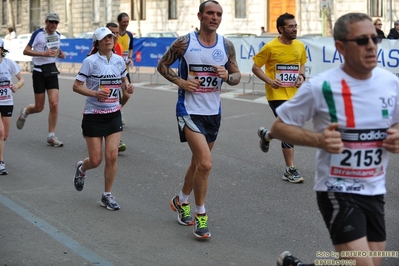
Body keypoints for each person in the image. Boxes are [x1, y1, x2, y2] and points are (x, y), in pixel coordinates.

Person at [272, 13, 399, 266]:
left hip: (374, 189)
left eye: (374, 39)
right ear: (340, 46)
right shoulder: (321, 86)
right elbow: (278, 128)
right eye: (362, 40)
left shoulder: (390, 82)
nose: (372, 45)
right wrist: (319, 140)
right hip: (337, 189)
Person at [157, 0, 241, 239]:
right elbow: (162, 65)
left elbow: (236, 76)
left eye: (219, 14)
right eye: (210, 13)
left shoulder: (226, 45)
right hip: (188, 111)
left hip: (213, 113)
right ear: (200, 16)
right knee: (205, 164)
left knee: (196, 163)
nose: (215, 17)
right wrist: (182, 83)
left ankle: (180, 199)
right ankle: (201, 215)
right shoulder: (184, 43)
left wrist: (228, 76)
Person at [72, 27, 134, 211]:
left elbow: (124, 81)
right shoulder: (90, 62)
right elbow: (76, 86)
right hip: (93, 115)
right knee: (96, 160)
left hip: (114, 114)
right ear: (97, 43)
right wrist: (95, 93)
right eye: (104, 38)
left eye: (110, 37)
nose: (108, 40)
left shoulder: (119, 61)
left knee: (112, 156)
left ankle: (107, 195)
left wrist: (128, 88)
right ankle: (82, 168)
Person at [253, 12, 307, 183]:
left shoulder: (299, 46)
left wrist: (301, 77)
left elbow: (303, 64)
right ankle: (290, 169)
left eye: (295, 26)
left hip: (294, 94)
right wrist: (270, 80)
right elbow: (255, 67)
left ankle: (267, 136)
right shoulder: (270, 47)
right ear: (280, 29)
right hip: (276, 93)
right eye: (291, 26)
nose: (294, 29)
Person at [16, 12, 66, 147]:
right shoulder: (38, 34)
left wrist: (60, 54)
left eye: (56, 23)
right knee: (39, 107)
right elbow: (26, 51)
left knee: (54, 104)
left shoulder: (58, 35)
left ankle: (51, 136)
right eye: (51, 22)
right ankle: (25, 111)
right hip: (38, 71)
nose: (53, 25)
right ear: (46, 22)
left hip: (51, 70)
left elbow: (55, 51)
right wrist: (42, 53)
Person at [0, 39, 25, 175]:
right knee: (0, 132)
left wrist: (17, 86)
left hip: (7, 101)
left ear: (2, 50)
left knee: (5, 135)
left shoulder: (9, 63)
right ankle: (1, 163)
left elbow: (22, 79)